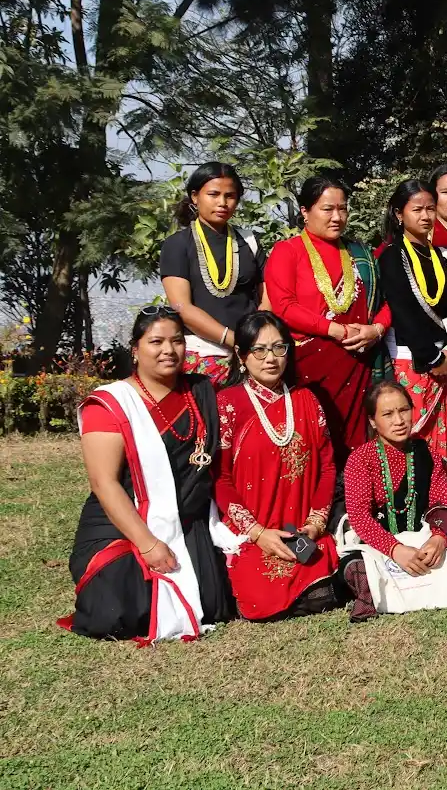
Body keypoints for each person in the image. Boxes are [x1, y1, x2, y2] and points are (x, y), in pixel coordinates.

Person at [64, 307, 235, 641]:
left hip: (187, 518)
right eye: (156, 341)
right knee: (117, 611)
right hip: (123, 521)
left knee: (215, 601)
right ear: (135, 347)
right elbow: (104, 483)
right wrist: (147, 544)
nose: (168, 350)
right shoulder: (111, 403)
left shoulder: (201, 392)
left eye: (176, 341)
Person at [213, 312, 341, 621]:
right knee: (259, 595)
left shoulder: (307, 400)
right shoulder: (227, 404)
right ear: (242, 356)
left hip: (301, 529)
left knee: (323, 587)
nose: (270, 358)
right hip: (253, 532)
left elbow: (326, 467)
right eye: (259, 350)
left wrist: (315, 522)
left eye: (279, 348)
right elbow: (220, 479)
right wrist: (257, 533)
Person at [263, 177, 388, 459]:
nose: (337, 217)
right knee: (312, 444)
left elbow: (388, 302)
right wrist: (335, 331)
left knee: (356, 445)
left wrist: (375, 330)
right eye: (327, 209)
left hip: (358, 361)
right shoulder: (287, 251)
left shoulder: (361, 253)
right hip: (308, 368)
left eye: (343, 209)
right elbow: (283, 306)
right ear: (305, 212)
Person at [340, 379, 447, 621]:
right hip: (380, 547)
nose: (398, 421)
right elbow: (360, 518)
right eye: (387, 414)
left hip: (424, 542)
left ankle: (438, 583)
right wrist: (395, 550)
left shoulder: (427, 455)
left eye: (404, 410)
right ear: (373, 421)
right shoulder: (360, 459)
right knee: (354, 567)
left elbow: (443, 505)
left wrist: (439, 539)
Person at [377, 180, 447, 458]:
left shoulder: (444, 256)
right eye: (417, 209)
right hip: (412, 362)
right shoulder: (391, 256)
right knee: (411, 439)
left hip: (446, 362)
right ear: (398, 213)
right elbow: (402, 311)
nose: (426, 216)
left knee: (446, 448)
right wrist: (432, 358)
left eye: (431, 209)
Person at [158, 162, 264, 384]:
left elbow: (267, 298)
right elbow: (183, 307)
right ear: (195, 197)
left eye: (230, 196)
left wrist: (257, 340)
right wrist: (233, 340)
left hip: (253, 354)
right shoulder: (177, 244)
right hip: (202, 354)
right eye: (214, 194)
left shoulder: (250, 241)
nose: (222, 203)